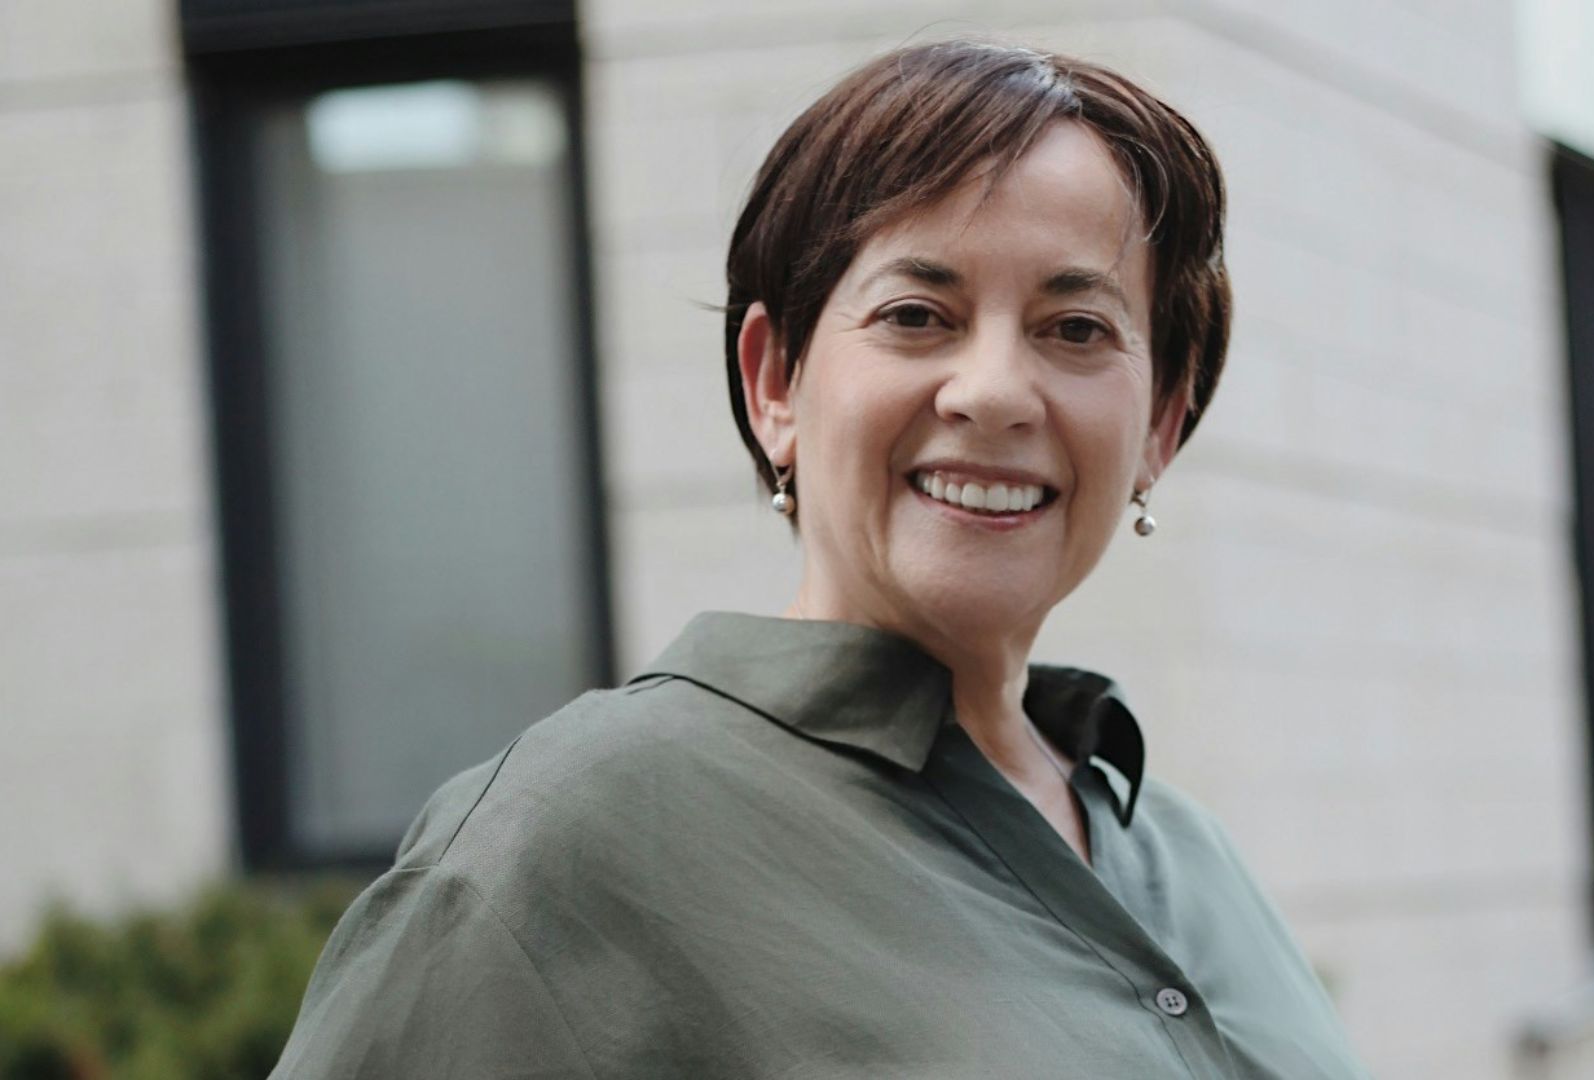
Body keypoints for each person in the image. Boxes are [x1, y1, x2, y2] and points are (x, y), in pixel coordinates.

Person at [270, 38, 1369, 1079]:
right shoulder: (568, 844)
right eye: (915, 314)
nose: (991, 390)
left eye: (1076, 329)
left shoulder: (1192, 857)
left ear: (1164, 422)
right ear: (776, 383)